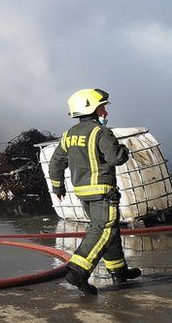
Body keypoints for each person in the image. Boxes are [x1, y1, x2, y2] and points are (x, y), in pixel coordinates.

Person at [49, 88, 141, 294]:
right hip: (102, 192)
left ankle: (119, 271)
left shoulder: (68, 135)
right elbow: (116, 158)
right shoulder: (101, 133)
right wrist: (125, 149)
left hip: (83, 192)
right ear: (90, 109)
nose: (105, 113)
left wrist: (58, 186)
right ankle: (78, 271)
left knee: (111, 231)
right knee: (102, 230)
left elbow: (56, 162)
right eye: (102, 109)